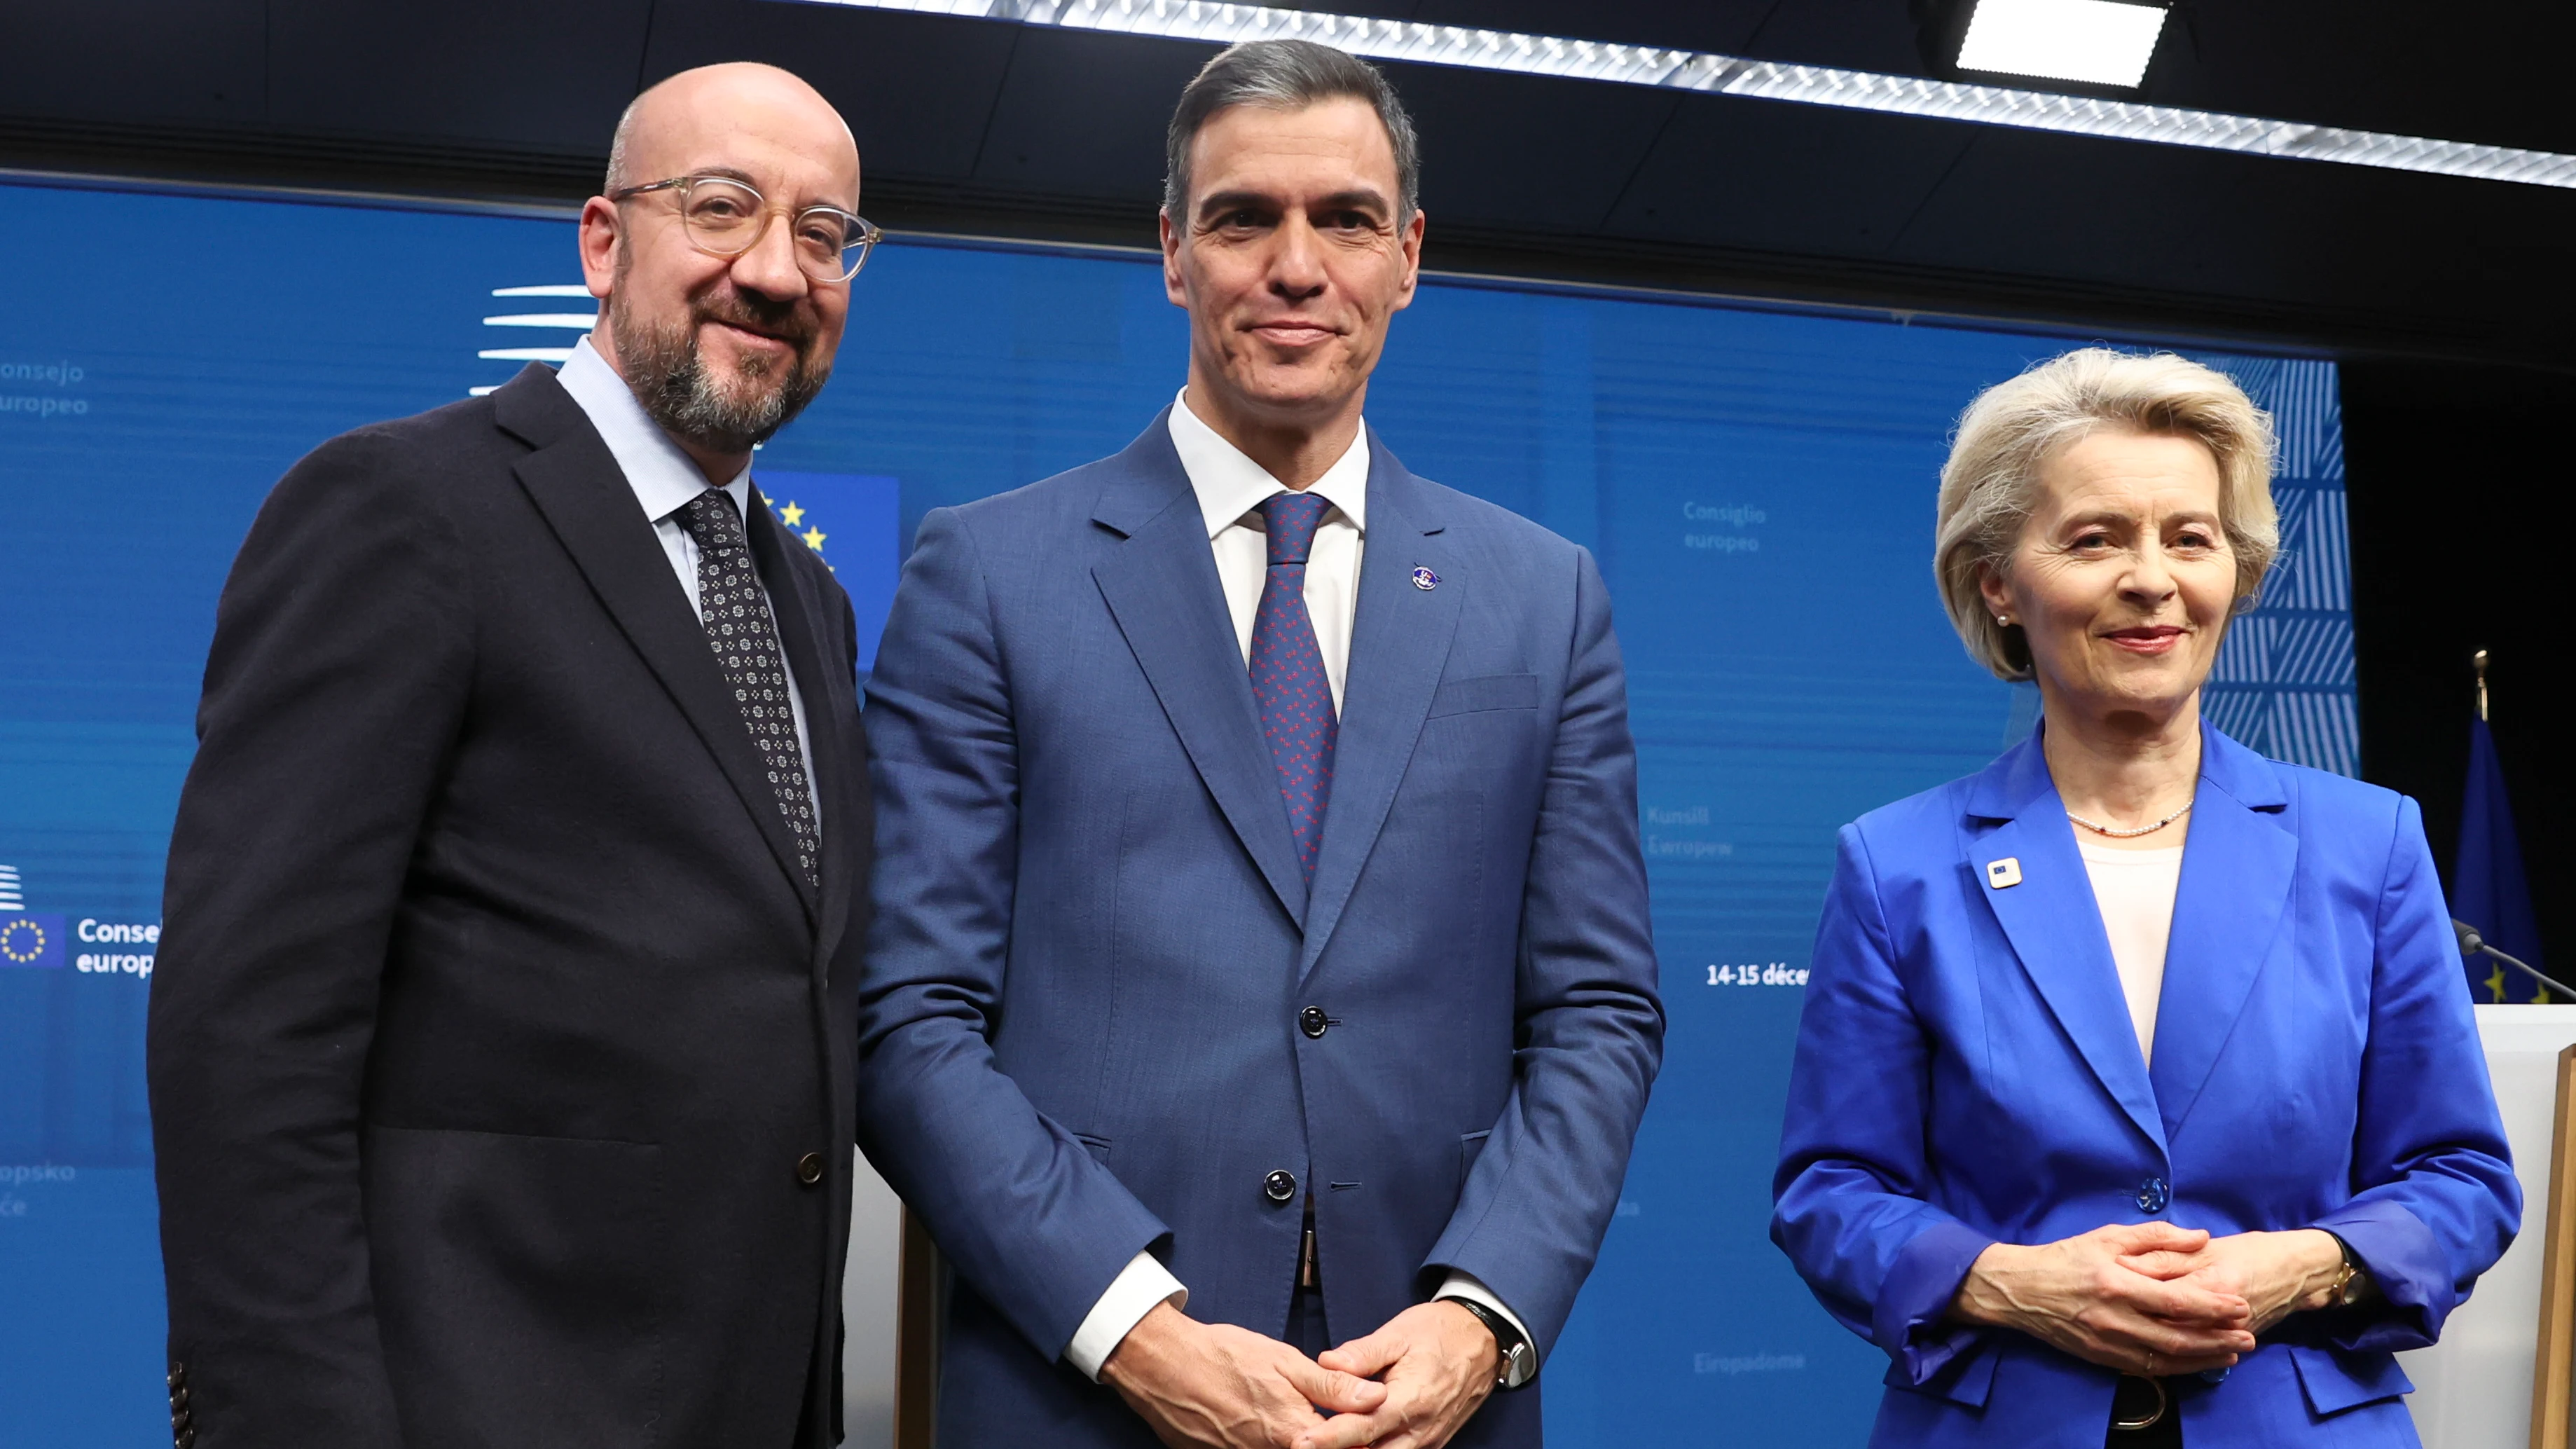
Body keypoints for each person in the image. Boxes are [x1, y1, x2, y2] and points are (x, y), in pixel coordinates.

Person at [857, 38, 1663, 1449]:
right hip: (1085, 1393)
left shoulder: (1542, 597)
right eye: (1242, 218)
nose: (1297, 266)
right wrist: (1132, 1326)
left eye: (1344, 218)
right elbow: (905, 1013)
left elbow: (1597, 1009)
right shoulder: (987, 574)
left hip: (1426, 1394)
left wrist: (1480, 1311)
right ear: (1173, 253)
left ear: (1406, 256)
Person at [148, 63, 879, 1449]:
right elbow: (248, 1030)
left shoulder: (811, 602)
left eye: (826, 232)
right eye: (721, 207)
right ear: (604, 240)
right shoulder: (404, 508)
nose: (776, 272)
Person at [1771, 348, 2520, 1446]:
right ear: (1997, 581)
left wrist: (2301, 1267)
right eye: (2094, 539)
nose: (2152, 578)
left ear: (2236, 569)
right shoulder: (1900, 866)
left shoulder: (2371, 844)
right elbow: (1832, 1193)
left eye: (2190, 537)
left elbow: (2460, 1177)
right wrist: (2013, 1281)